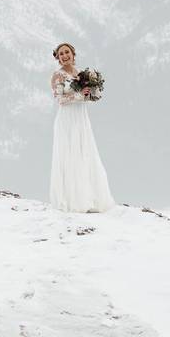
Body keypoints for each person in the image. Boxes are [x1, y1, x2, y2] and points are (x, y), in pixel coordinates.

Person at [48, 42, 116, 213]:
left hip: (81, 119)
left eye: (67, 52)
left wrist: (93, 92)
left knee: (85, 153)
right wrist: (80, 95)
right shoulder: (58, 76)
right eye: (61, 53)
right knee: (70, 155)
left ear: (73, 54)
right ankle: (72, 200)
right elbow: (60, 100)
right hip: (67, 120)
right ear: (57, 57)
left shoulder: (80, 73)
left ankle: (89, 197)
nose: (64, 56)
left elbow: (88, 97)